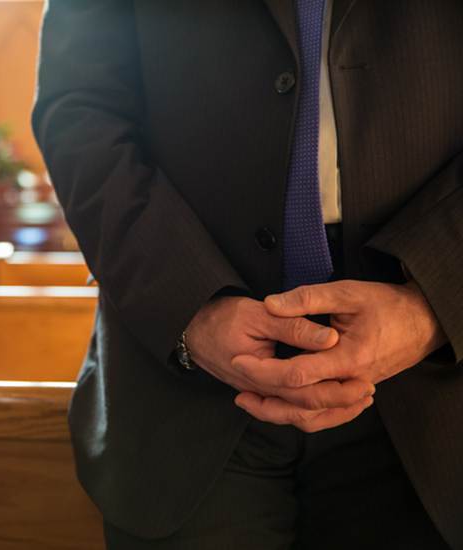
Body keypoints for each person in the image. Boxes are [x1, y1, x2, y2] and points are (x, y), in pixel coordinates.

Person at [31, 1, 463, 548]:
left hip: (436, 386)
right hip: (180, 383)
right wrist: (187, 306)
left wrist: (430, 306)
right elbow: (79, 111)